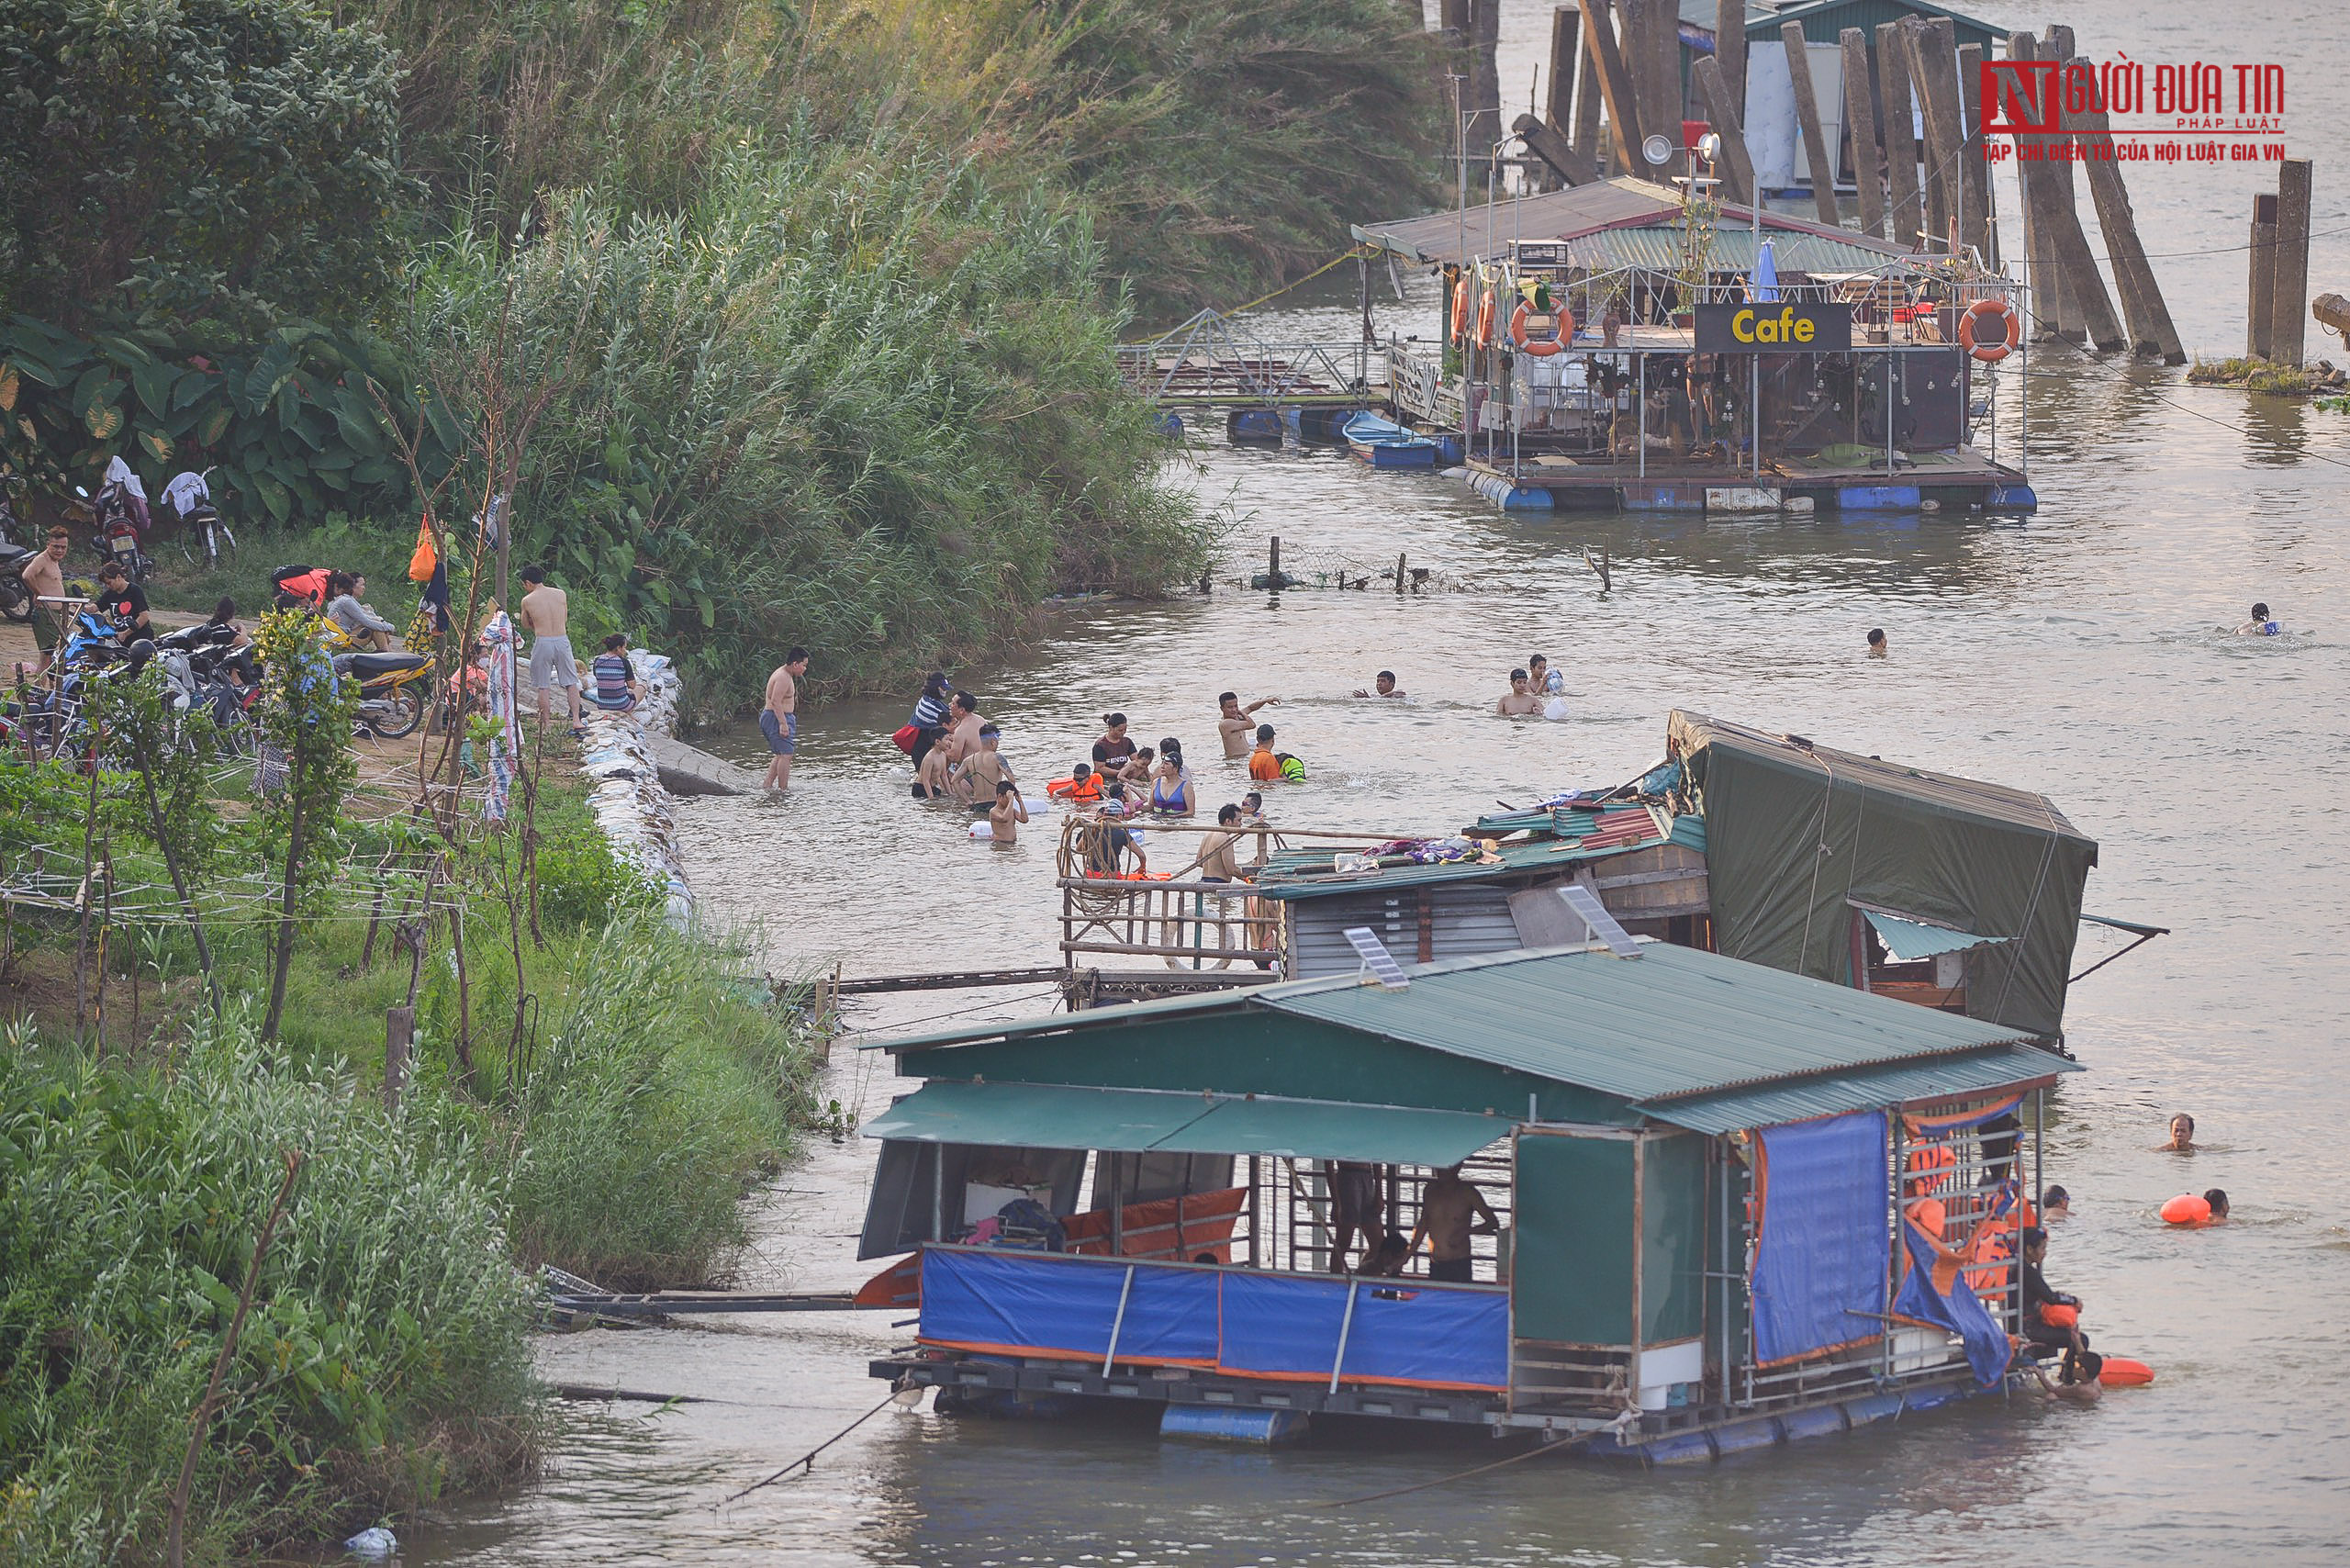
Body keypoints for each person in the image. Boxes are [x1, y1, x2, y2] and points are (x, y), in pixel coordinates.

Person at [518, 565, 584, 736]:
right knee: (571, 682)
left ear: (527, 583)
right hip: (562, 639)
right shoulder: (560, 594)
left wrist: (535, 622)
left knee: (543, 685)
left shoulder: (528, 600)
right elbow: (565, 617)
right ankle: (576, 719)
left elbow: (525, 625)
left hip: (543, 641)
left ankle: (546, 724)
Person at [1409, 1165, 1498, 1282]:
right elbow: (1423, 1224)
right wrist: (1407, 1254)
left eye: (1446, 1167)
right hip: (1435, 1262)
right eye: (1439, 1166)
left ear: (1457, 1167)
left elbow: (1492, 1222)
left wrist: (1466, 1231)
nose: (1441, 1170)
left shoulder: (1468, 1193)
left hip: (1459, 1263)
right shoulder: (1430, 1190)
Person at [2020, 1227, 2086, 1356]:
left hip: (2026, 1324)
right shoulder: (2028, 1272)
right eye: (2042, 1248)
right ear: (2029, 1249)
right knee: (2081, 1339)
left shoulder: (2019, 1267)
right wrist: (2073, 1300)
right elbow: (2051, 1298)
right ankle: (2067, 1375)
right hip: (2031, 1329)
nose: (2045, 1253)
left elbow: (2045, 1294)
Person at [20, 525, 70, 671]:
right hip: (44, 614)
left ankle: (41, 689)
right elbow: (27, 575)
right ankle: (40, 690)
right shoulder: (42, 559)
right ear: (48, 545)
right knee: (49, 654)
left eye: (63, 547)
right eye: (56, 547)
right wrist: (40, 594)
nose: (60, 550)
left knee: (48, 655)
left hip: (54, 614)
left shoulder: (54, 562)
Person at [761, 645, 807, 790]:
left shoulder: (785, 675)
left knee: (781, 754)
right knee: (786, 754)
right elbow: (775, 701)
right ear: (795, 664)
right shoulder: (783, 677)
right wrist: (783, 723)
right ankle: (783, 790)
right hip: (776, 718)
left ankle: (767, 786)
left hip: (777, 717)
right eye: (803, 665)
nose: (804, 669)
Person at [1327, 1160, 1383, 1271]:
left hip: (1367, 1175)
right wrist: (1336, 1202)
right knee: (1343, 1240)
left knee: (1378, 1244)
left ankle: (1360, 1276)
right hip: (1347, 1176)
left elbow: (1377, 1158)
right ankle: (1336, 1282)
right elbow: (1328, 1164)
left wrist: (1379, 1193)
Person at [324, 571, 396, 653]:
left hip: (344, 636)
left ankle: (387, 654)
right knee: (375, 628)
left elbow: (368, 619)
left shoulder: (348, 600)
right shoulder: (346, 601)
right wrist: (391, 627)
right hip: (340, 642)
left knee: (377, 625)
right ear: (353, 587)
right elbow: (367, 622)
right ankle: (387, 655)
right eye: (362, 585)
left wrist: (384, 626)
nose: (364, 588)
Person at [957, 723, 1015, 807]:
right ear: (993, 742)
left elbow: (954, 781)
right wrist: (1007, 800)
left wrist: (967, 801)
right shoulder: (997, 757)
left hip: (978, 805)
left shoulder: (969, 760)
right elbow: (1011, 779)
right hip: (996, 804)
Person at [95, 559, 149, 644]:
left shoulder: (135, 590)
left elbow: (144, 617)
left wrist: (126, 633)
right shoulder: (110, 594)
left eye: (109, 583)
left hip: (140, 640)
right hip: (122, 642)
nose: (108, 586)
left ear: (118, 577)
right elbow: (95, 607)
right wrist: (79, 605)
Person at [906, 672, 952, 768]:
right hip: (924, 752)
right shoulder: (933, 708)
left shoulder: (927, 699)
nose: (945, 692)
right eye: (943, 689)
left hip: (922, 749)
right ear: (934, 688)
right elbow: (952, 725)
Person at [2026, 1348, 2104, 1405]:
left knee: (2051, 1396)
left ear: (2082, 1371)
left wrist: (2039, 1373)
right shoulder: (2095, 1380)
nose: (2072, 1367)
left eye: (2075, 1365)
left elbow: (2053, 1390)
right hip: (2084, 1403)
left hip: (2073, 1408)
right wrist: (2076, 1338)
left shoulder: (2081, 1389)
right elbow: (2085, 1359)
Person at [1217, 691, 1278, 757]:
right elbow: (1251, 725)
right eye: (1230, 707)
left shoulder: (1236, 717)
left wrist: (1265, 701)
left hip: (1243, 758)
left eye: (1236, 706)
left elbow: (1250, 708)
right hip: (1235, 761)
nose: (1234, 709)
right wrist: (1241, 712)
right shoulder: (1226, 724)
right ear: (1222, 708)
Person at [590, 633, 641, 711]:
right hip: (621, 705)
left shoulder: (597, 661)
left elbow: (598, 677)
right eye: (624, 647)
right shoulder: (623, 662)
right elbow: (632, 685)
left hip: (602, 705)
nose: (625, 650)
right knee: (643, 687)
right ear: (618, 648)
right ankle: (627, 712)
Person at [1147, 737, 1195, 816]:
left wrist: (1172, 818)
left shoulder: (1186, 786)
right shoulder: (1156, 782)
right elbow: (1150, 806)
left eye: (1166, 764)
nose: (1162, 767)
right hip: (1158, 822)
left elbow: (1191, 812)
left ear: (1175, 768)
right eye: (1162, 763)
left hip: (1177, 822)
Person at [986, 779, 1029, 845]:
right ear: (1000, 796)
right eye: (1008, 798)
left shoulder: (1012, 810)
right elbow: (1004, 819)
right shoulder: (993, 812)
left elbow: (1025, 820)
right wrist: (1011, 800)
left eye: (1011, 798)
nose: (1010, 801)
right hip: (1001, 844)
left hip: (1013, 843)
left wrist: (1020, 801)